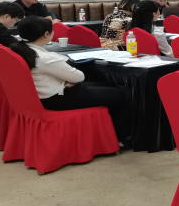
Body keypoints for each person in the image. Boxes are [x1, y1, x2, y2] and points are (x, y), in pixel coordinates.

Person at [10, 16, 131, 144]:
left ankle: (107, 133)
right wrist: (67, 79)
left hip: (42, 95)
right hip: (58, 98)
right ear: (46, 34)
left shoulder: (19, 50)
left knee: (108, 85)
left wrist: (65, 79)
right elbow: (79, 77)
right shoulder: (44, 58)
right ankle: (118, 138)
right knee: (123, 94)